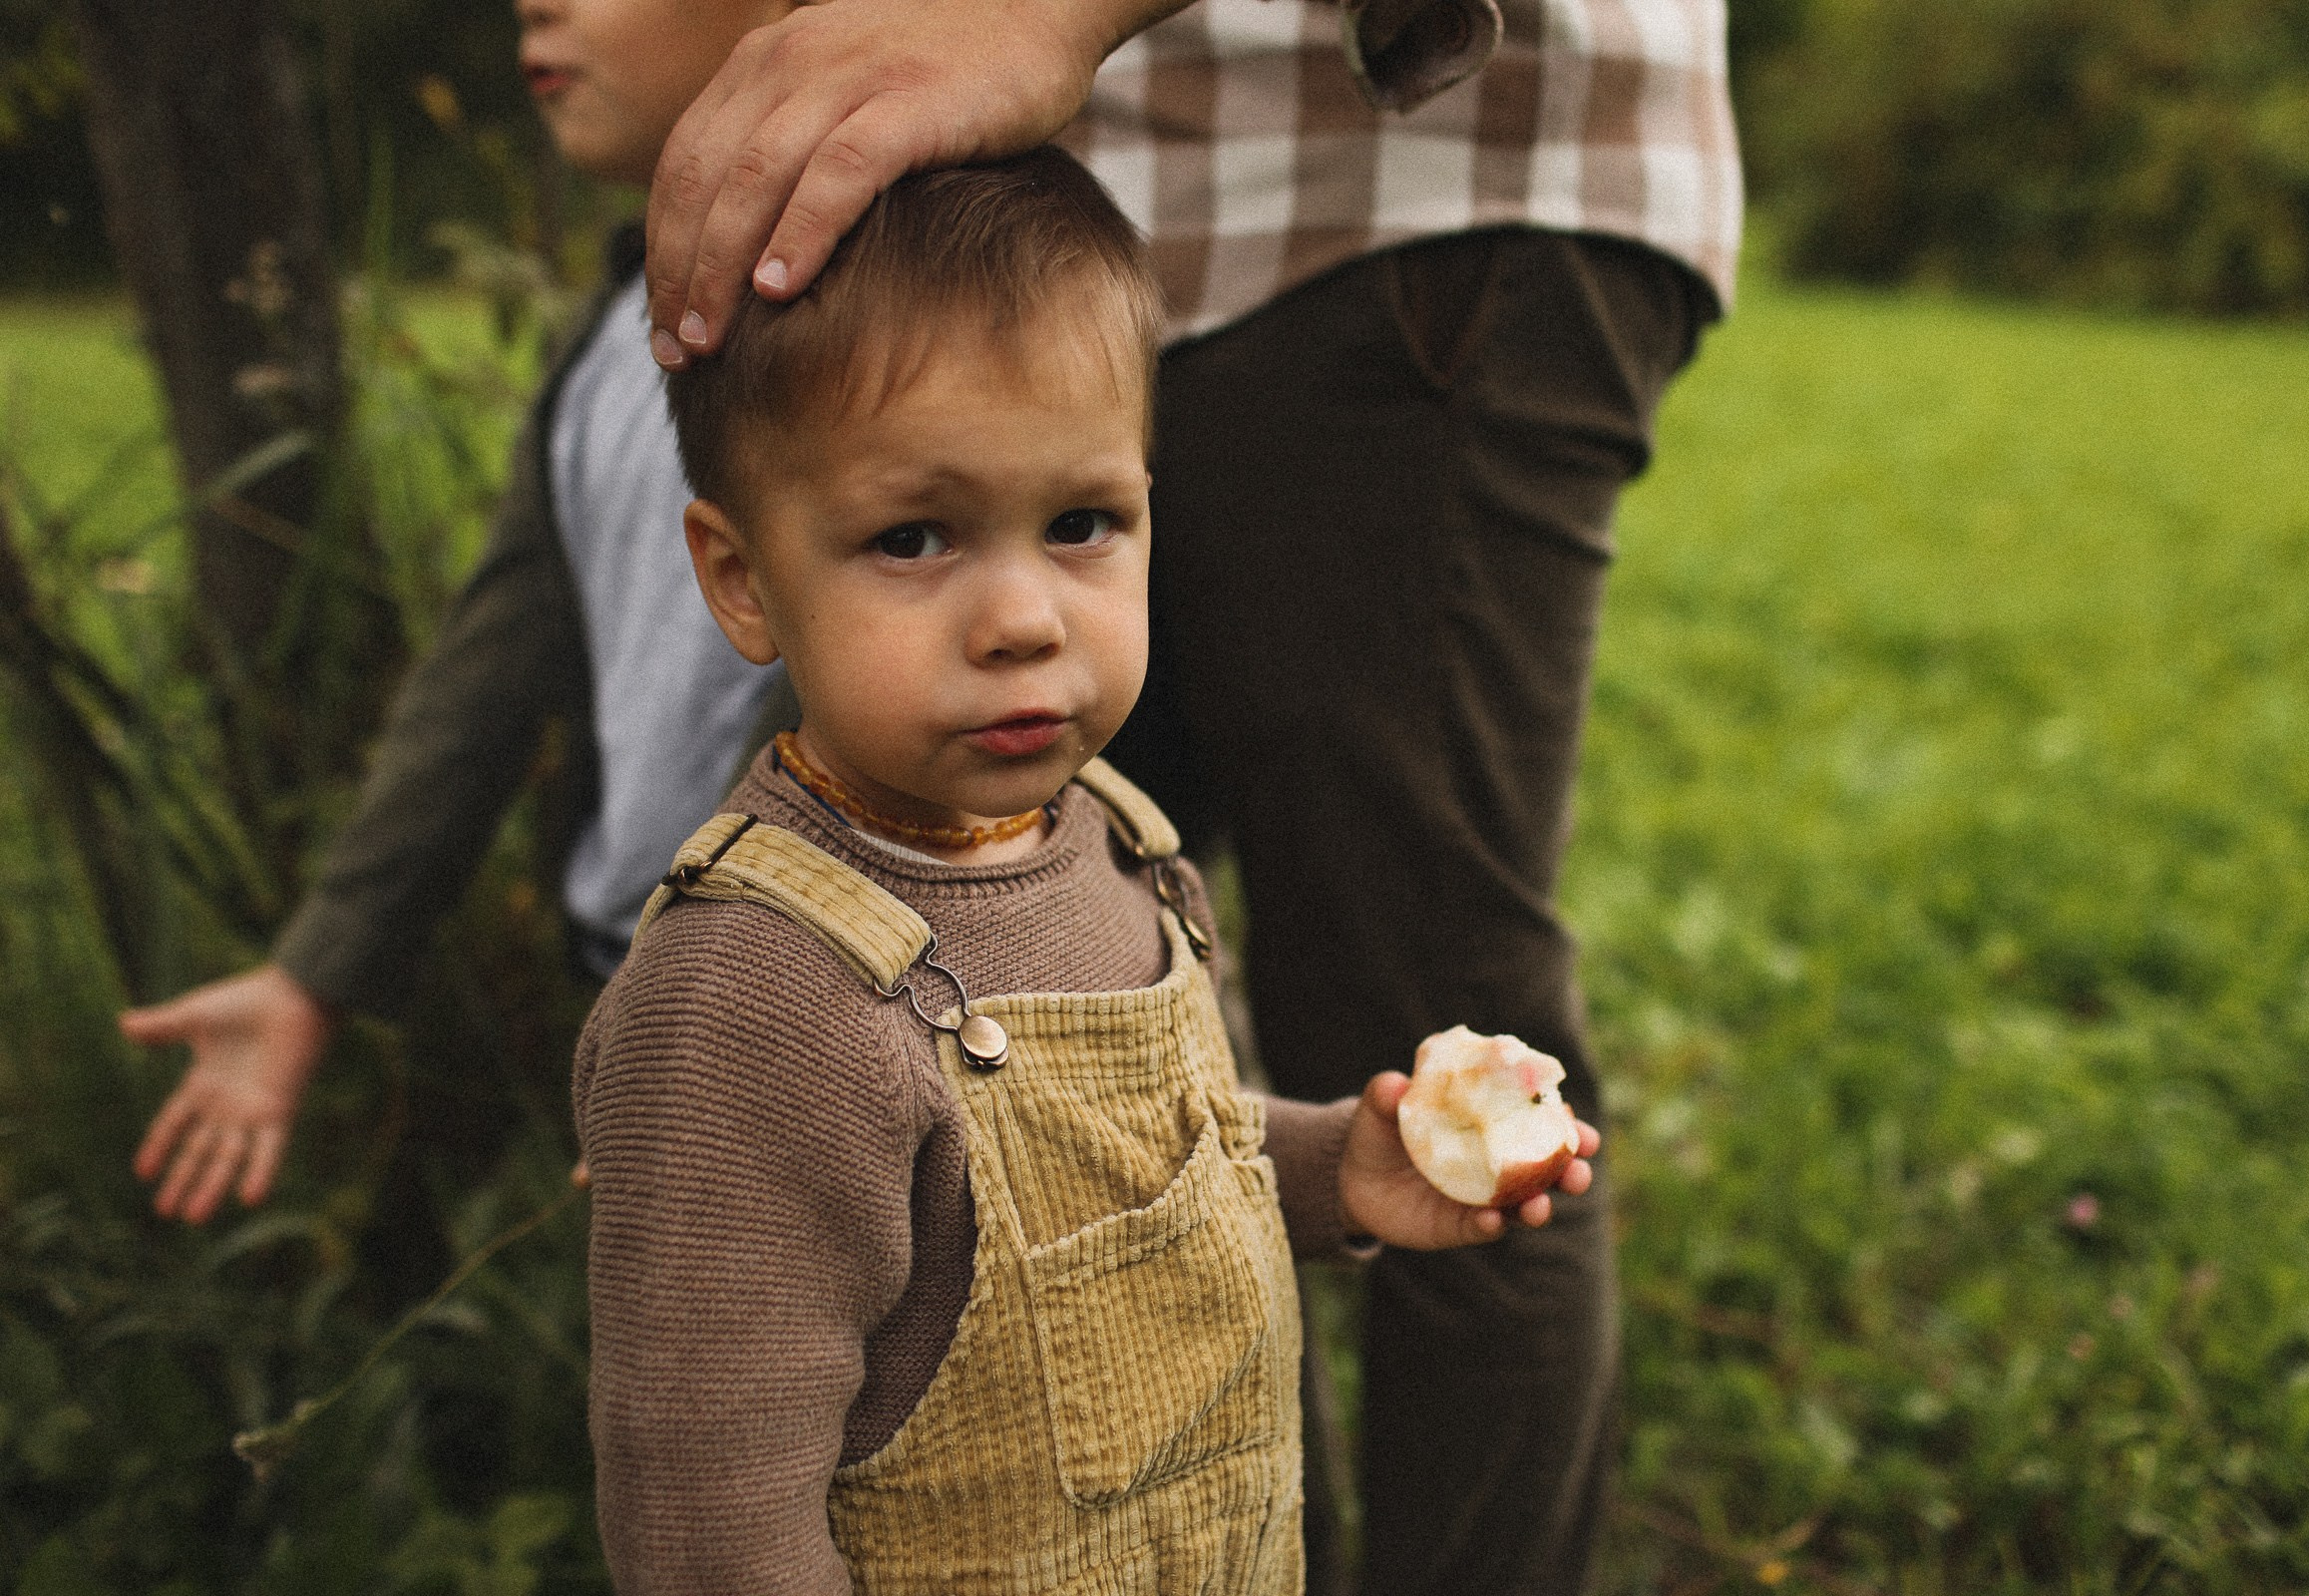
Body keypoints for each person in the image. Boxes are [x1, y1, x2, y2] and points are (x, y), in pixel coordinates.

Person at [637, 1, 1738, 1592]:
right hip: (1107, 182)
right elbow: (708, 1505)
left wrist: (1318, 1173)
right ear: (738, 580)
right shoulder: (750, 995)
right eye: (914, 541)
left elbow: (1135, 1155)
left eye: (1085, 525)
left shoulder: (1115, 854)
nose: (1022, 620)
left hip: (1380, 189)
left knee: (1427, 967)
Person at [118, 0, 814, 1224]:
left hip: (831, 1029)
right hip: (643, 1002)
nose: (534, 5)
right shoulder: (617, 330)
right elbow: (488, 674)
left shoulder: (902, 318)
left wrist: (753, 1027)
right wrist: (316, 973)